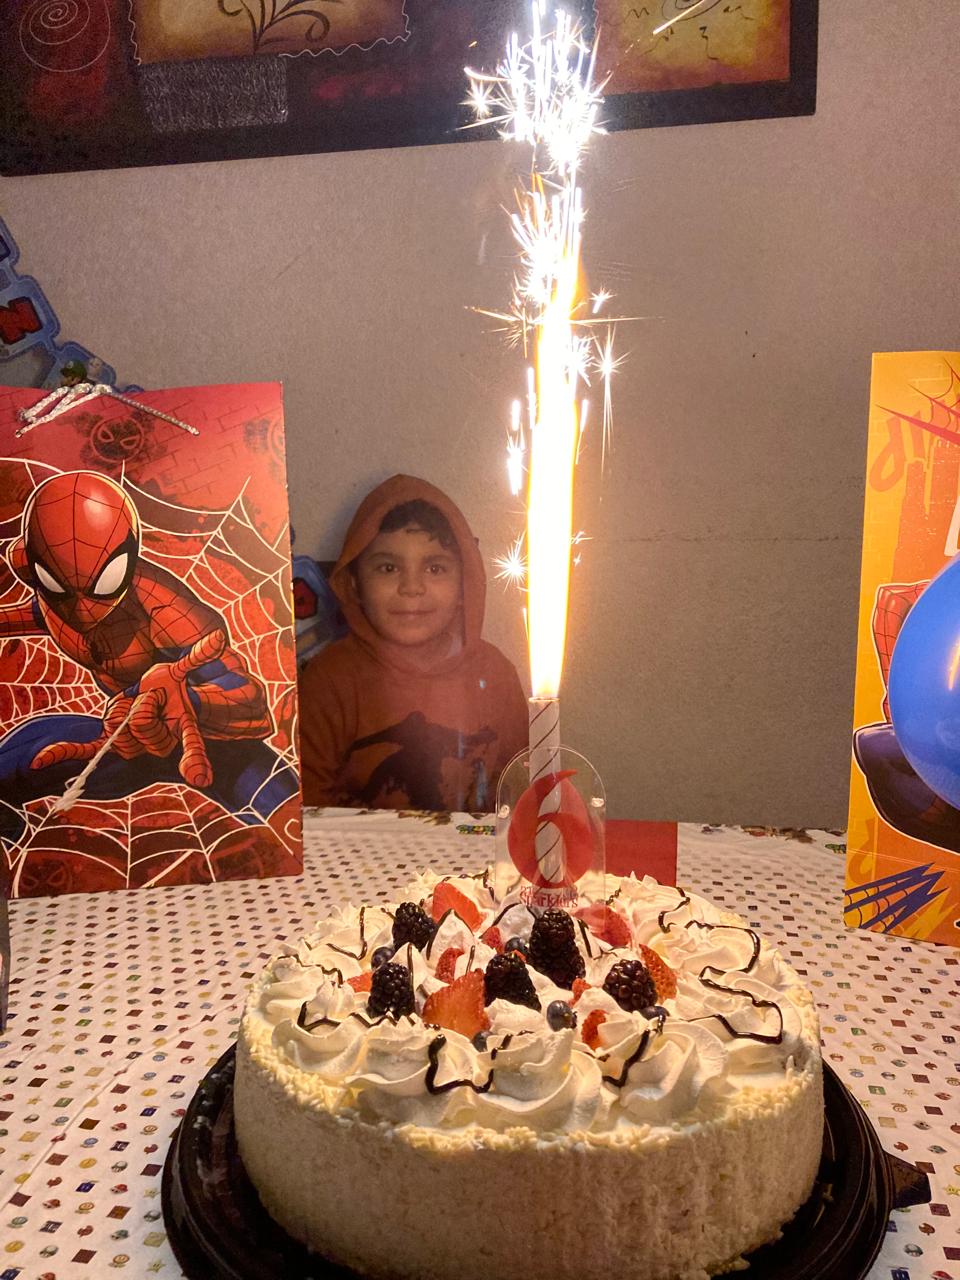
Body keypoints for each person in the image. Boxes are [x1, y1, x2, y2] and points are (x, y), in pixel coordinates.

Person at [299, 475, 528, 811]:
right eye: (388, 568)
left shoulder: (495, 673)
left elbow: (522, 787)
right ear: (354, 583)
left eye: (435, 568)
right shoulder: (328, 681)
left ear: (464, 585)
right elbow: (303, 806)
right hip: (355, 846)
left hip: (476, 847)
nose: (412, 587)